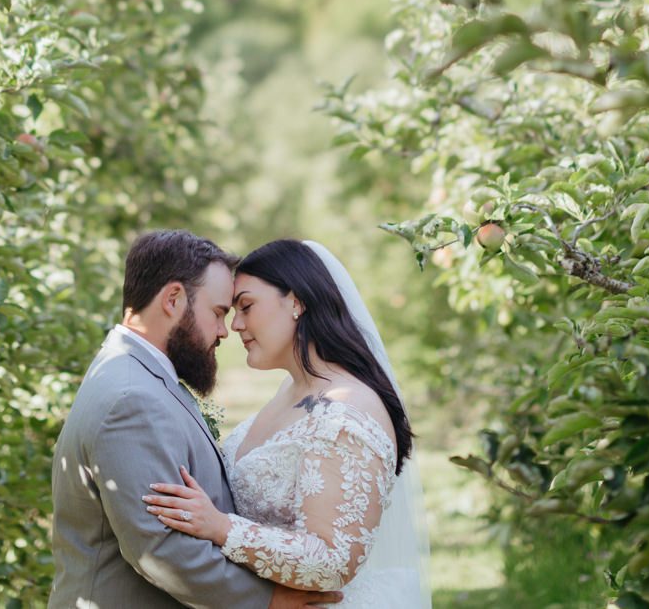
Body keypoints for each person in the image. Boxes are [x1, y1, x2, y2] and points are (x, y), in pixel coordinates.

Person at [50, 229, 345, 609]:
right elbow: (160, 548)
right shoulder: (132, 398)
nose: (225, 330)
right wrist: (267, 599)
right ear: (173, 299)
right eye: (218, 312)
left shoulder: (131, 371)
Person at [143, 239, 433, 607]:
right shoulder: (290, 390)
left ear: (296, 301)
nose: (235, 325)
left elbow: (333, 560)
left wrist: (220, 527)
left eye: (246, 306)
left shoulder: (348, 411)